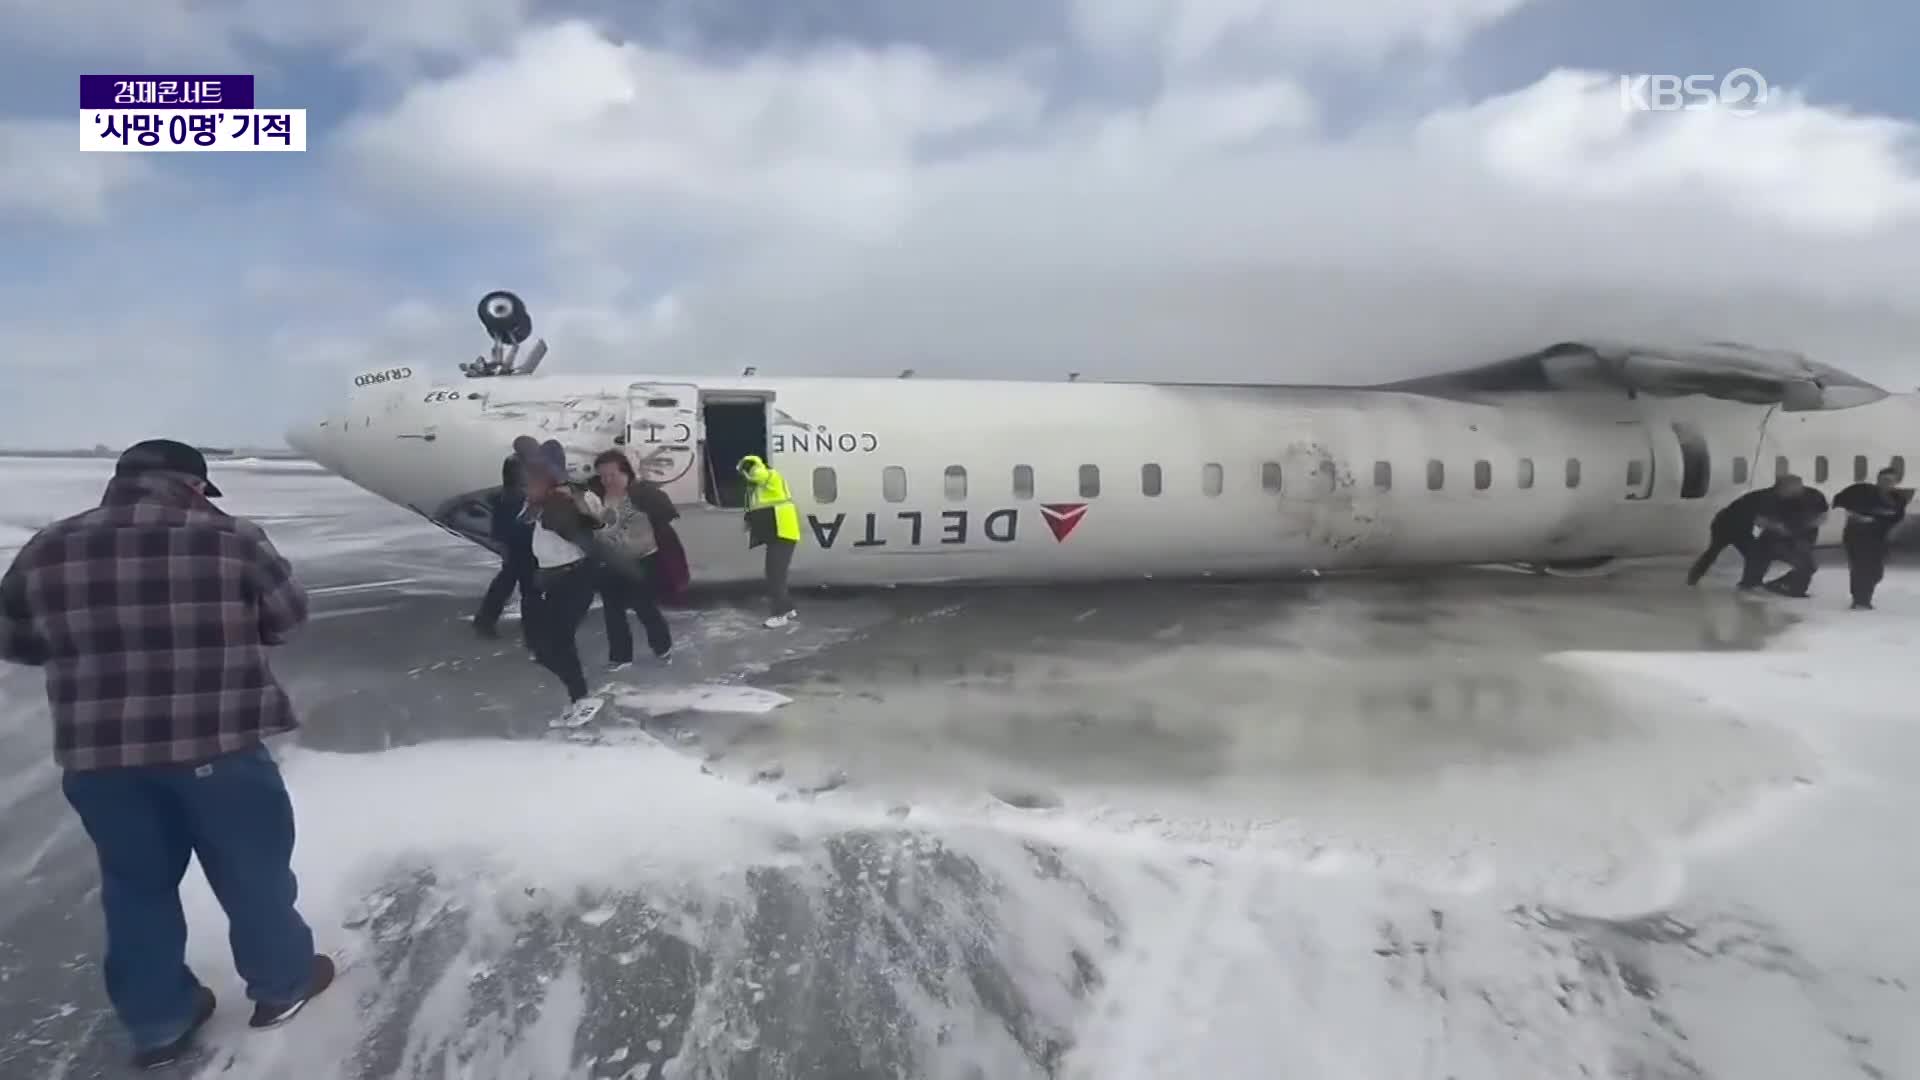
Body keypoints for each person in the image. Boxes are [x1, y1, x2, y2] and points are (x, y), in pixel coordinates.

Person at [0, 439, 334, 1069]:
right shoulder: (232, 538)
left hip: (100, 758)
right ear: (191, 486)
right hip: (219, 748)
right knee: (253, 876)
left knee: (135, 889)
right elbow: (287, 619)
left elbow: (14, 639)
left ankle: (158, 1022)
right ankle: (281, 987)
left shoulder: (49, 545)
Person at [521, 452, 608, 725]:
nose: (526, 486)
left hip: (572, 579)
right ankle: (580, 697)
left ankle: (581, 698)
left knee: (557, 643)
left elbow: (591, 531)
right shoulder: (547, 501)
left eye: (531, 481)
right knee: (544, 646)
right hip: (557, 579)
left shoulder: (562, 503)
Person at [588, 449, 673, 669]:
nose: (607, 480)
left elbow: (651, 529)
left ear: (626, 473)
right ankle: (620, 656)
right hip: (610, 563)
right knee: (612, 611)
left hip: (641, 561)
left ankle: (662, 647)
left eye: (612, 475)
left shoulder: (640, 496)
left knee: (644, 607)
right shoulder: (598, 497)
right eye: (603, 476)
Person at [472, 455, 538, 647]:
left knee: (507, 585)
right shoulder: (513, 497)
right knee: (525, 588)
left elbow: (499, 529)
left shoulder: (507, 495)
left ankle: (485, 621)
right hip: (522, 547)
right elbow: (505, 526)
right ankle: (530, 629)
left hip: (519, 547)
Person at [1832, 466, 1912, 610]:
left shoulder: (1898, 499)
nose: (1887, 483)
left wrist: (1893, 533)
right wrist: (1853, 515)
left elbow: (1897, 518)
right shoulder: (1861, 491)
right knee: (1860, 567)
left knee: (1876, 572)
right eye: (1884, 480)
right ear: (1878, 479)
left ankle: (1863, 597)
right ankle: (1860, 600)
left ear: (1895, 482)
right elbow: (1837, 503)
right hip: (1856, 535)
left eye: (1891, 481)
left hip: (1878, 539)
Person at [737, 454, 800, 628]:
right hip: (779, 533)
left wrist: (749, 467)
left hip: (783, 531)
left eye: (745, 471)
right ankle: (788, 609)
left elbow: (758, 474)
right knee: (776, 573)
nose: (745, 476)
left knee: (774, 575)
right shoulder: (762, 486)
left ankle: (779, 615)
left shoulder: (768, 475)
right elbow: (757, 506)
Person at [1743, 473, 1828, 598]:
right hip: (1774, 537)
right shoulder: (1769, 497)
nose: (1788, 492)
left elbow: (1823, 515)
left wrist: (1810, 524)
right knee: (1759, 558)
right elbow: (1758, 519)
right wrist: (1776, 526)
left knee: (1807, 566)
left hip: (1801, 536)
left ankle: (1793, 589)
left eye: (1794, 488)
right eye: (1786, 489)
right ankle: (1751, 583)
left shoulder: (1813, 496)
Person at [1685, 486, 1772, 586]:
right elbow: (1760, 521)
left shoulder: (1764, 496)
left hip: (1736, 526)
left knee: (1754, 554)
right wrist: (1778, 527)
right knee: (1714, 552)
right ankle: (1750, 582)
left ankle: (1750, 582)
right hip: (1726, 526)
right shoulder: (1766, 498)